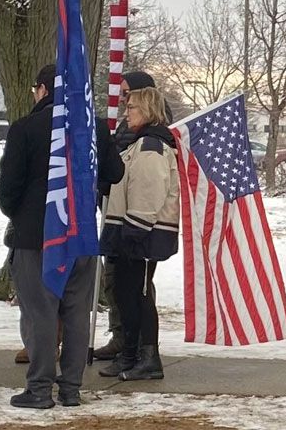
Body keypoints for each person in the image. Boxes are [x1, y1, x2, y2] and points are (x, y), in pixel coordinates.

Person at [0, 64, 123, 409]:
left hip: (36, 236)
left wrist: (20, 214)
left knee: (40, 313)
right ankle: (71, 388)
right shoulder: (92, 127)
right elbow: (115, 172)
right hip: (80, 234)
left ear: (42, 89)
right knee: (76, 313)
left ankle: (39, 388)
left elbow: (8, 188)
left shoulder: (26, 128)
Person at [98, 87, 179, 381]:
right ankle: (131, 355)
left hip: (140, 235)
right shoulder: (141, 144)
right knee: (127, 295)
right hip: (132, 232)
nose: (126, 112)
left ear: (146, 109)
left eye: (131, 107)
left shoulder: (150, 146)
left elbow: (148, 192)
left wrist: (135, 231)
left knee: (137, 297)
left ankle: (146, 358)